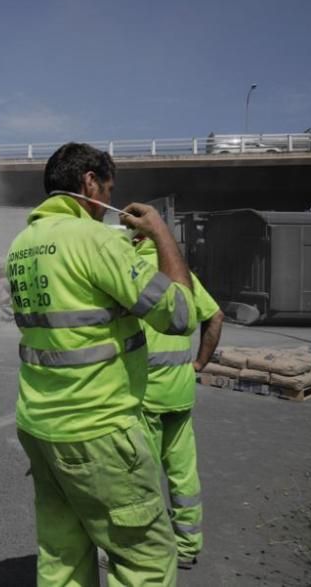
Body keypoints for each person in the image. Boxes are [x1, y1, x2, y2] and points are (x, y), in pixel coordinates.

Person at [8, 142, 197, 586]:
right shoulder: (93, 241)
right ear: (89, 182)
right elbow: (181, 314)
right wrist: (161, 234)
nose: (107, 204)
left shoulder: (22, 244)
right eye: (108, 190)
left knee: (62, 557)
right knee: (144, 559)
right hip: (100, 430)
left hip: (40, 427)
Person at [135, 236, 224, 570]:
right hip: (180, 390)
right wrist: (199, 363)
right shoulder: (180, 274)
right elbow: (216, 317)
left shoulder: (130, 272)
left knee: (142, 475)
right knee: (183, 470)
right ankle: (187, 546)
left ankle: (148, 548)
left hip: (144, 393)